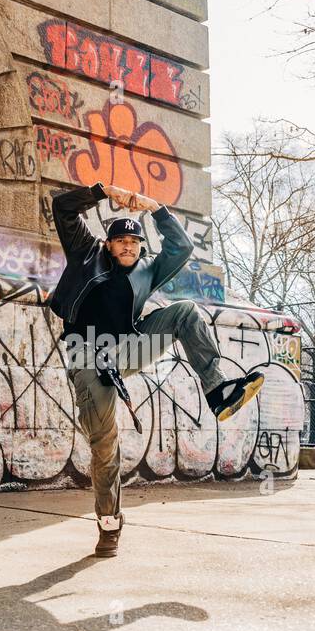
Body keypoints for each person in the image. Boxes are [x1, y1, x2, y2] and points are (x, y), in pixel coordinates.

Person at [50, 181, 265, 557]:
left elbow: (182, 247)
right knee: (104, 445)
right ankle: (109, 524)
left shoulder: (148, 271)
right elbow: (63, 207)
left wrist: (155, 208)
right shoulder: (86, 252)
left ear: (140, 247)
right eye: (121, 242)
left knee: (184, 311)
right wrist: (102, 192)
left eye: (134, 243)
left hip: (127, 350)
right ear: (108, 244)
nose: (128, 247)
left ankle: (218, 392)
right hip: (86, 356)